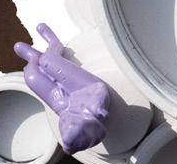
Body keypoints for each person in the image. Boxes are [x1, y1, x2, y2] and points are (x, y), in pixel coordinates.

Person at [15, 24, 110, 154]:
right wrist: (97, 105)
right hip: (86, 87)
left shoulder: (66, 118)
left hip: (66, 103)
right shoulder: (94, 107)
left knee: (31, 78)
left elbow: (61, 108)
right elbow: (100, 91)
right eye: (69, 125)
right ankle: (54, 44)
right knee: (48, 61)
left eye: (63, 128)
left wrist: (64, 108)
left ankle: (32, 58)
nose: (64, 124)